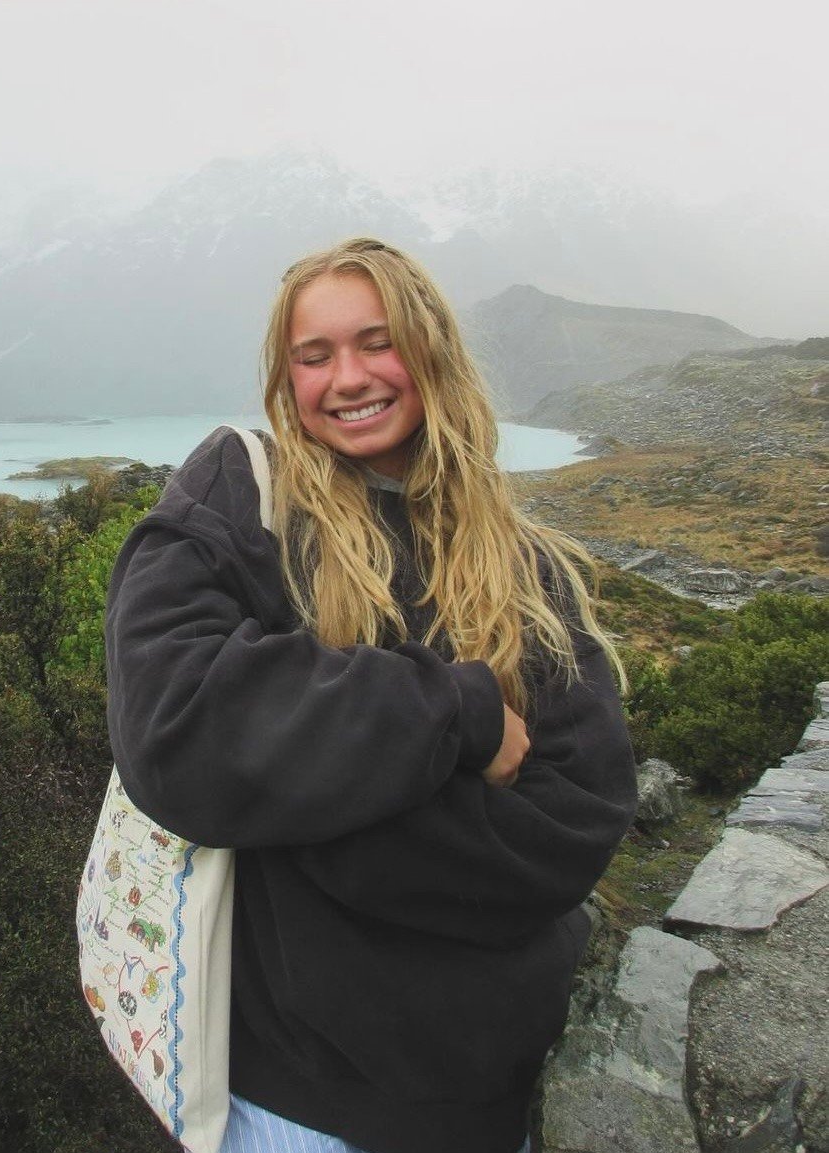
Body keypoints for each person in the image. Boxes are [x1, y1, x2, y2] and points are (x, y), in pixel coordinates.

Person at [104, 238, 636, 1153]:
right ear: (285, 376)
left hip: (496, 1092)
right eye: (313, 357)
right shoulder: (242, 494)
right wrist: (456, 714)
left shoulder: (524, 566)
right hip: (295, 1106)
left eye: (376, 343)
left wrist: (304, 811)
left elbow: (575, 822)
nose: (347, 378)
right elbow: (176, 729)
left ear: (429, 350)